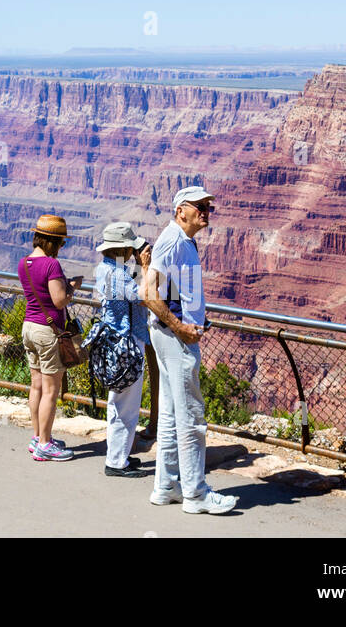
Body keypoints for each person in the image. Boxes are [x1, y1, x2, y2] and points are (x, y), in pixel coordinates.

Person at [141, 185, 238, 515]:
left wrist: (192, 318)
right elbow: (148, 293)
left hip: (170, 336)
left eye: (208, 206)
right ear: (181, 209)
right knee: (192, 418)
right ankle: (196, 494)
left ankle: (165, 487)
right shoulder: (172, 240)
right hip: (175, 339)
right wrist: (181, 326)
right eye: (200, 206)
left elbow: (170, 289)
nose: (206, 212)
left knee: (169, 416)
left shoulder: (183, 241)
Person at [94, 221, 151, 477]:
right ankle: (117, 462)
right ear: (124, 249)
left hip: (114, 342)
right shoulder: (117, 275)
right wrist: (146, 267)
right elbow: (144, 295)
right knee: (126, 405)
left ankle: (120, 454)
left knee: (118, 402)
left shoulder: (104, 269)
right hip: (126, 344)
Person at [18, 214, 75, 462]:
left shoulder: (24, 263)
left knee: (36, 385)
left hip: (29, 327)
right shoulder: (52, 265)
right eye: (61, 242)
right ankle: (45, 444)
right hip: (47, 331)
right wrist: (72, 287)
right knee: (51, 390)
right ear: (52, 241)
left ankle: (37, 436)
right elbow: (59, 300)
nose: (62, 247)